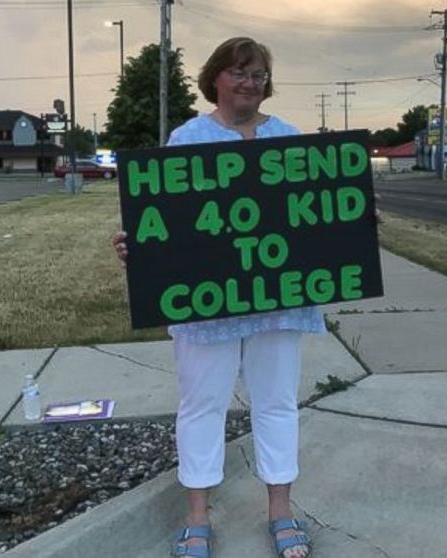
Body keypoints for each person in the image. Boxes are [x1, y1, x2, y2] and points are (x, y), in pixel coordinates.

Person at [112, 37, 319, 558]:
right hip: (207, 305)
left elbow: (314, 211)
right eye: (239, 72)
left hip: (278, 299)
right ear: (216, 78)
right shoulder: (187, 139)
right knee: (203, 405)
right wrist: (137, 241)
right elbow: (166, 216)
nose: (250, 83)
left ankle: (281, 509)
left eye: (259, 74)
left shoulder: (289, 138)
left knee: (276, 404)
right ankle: (197, 516)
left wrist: (355, 222)